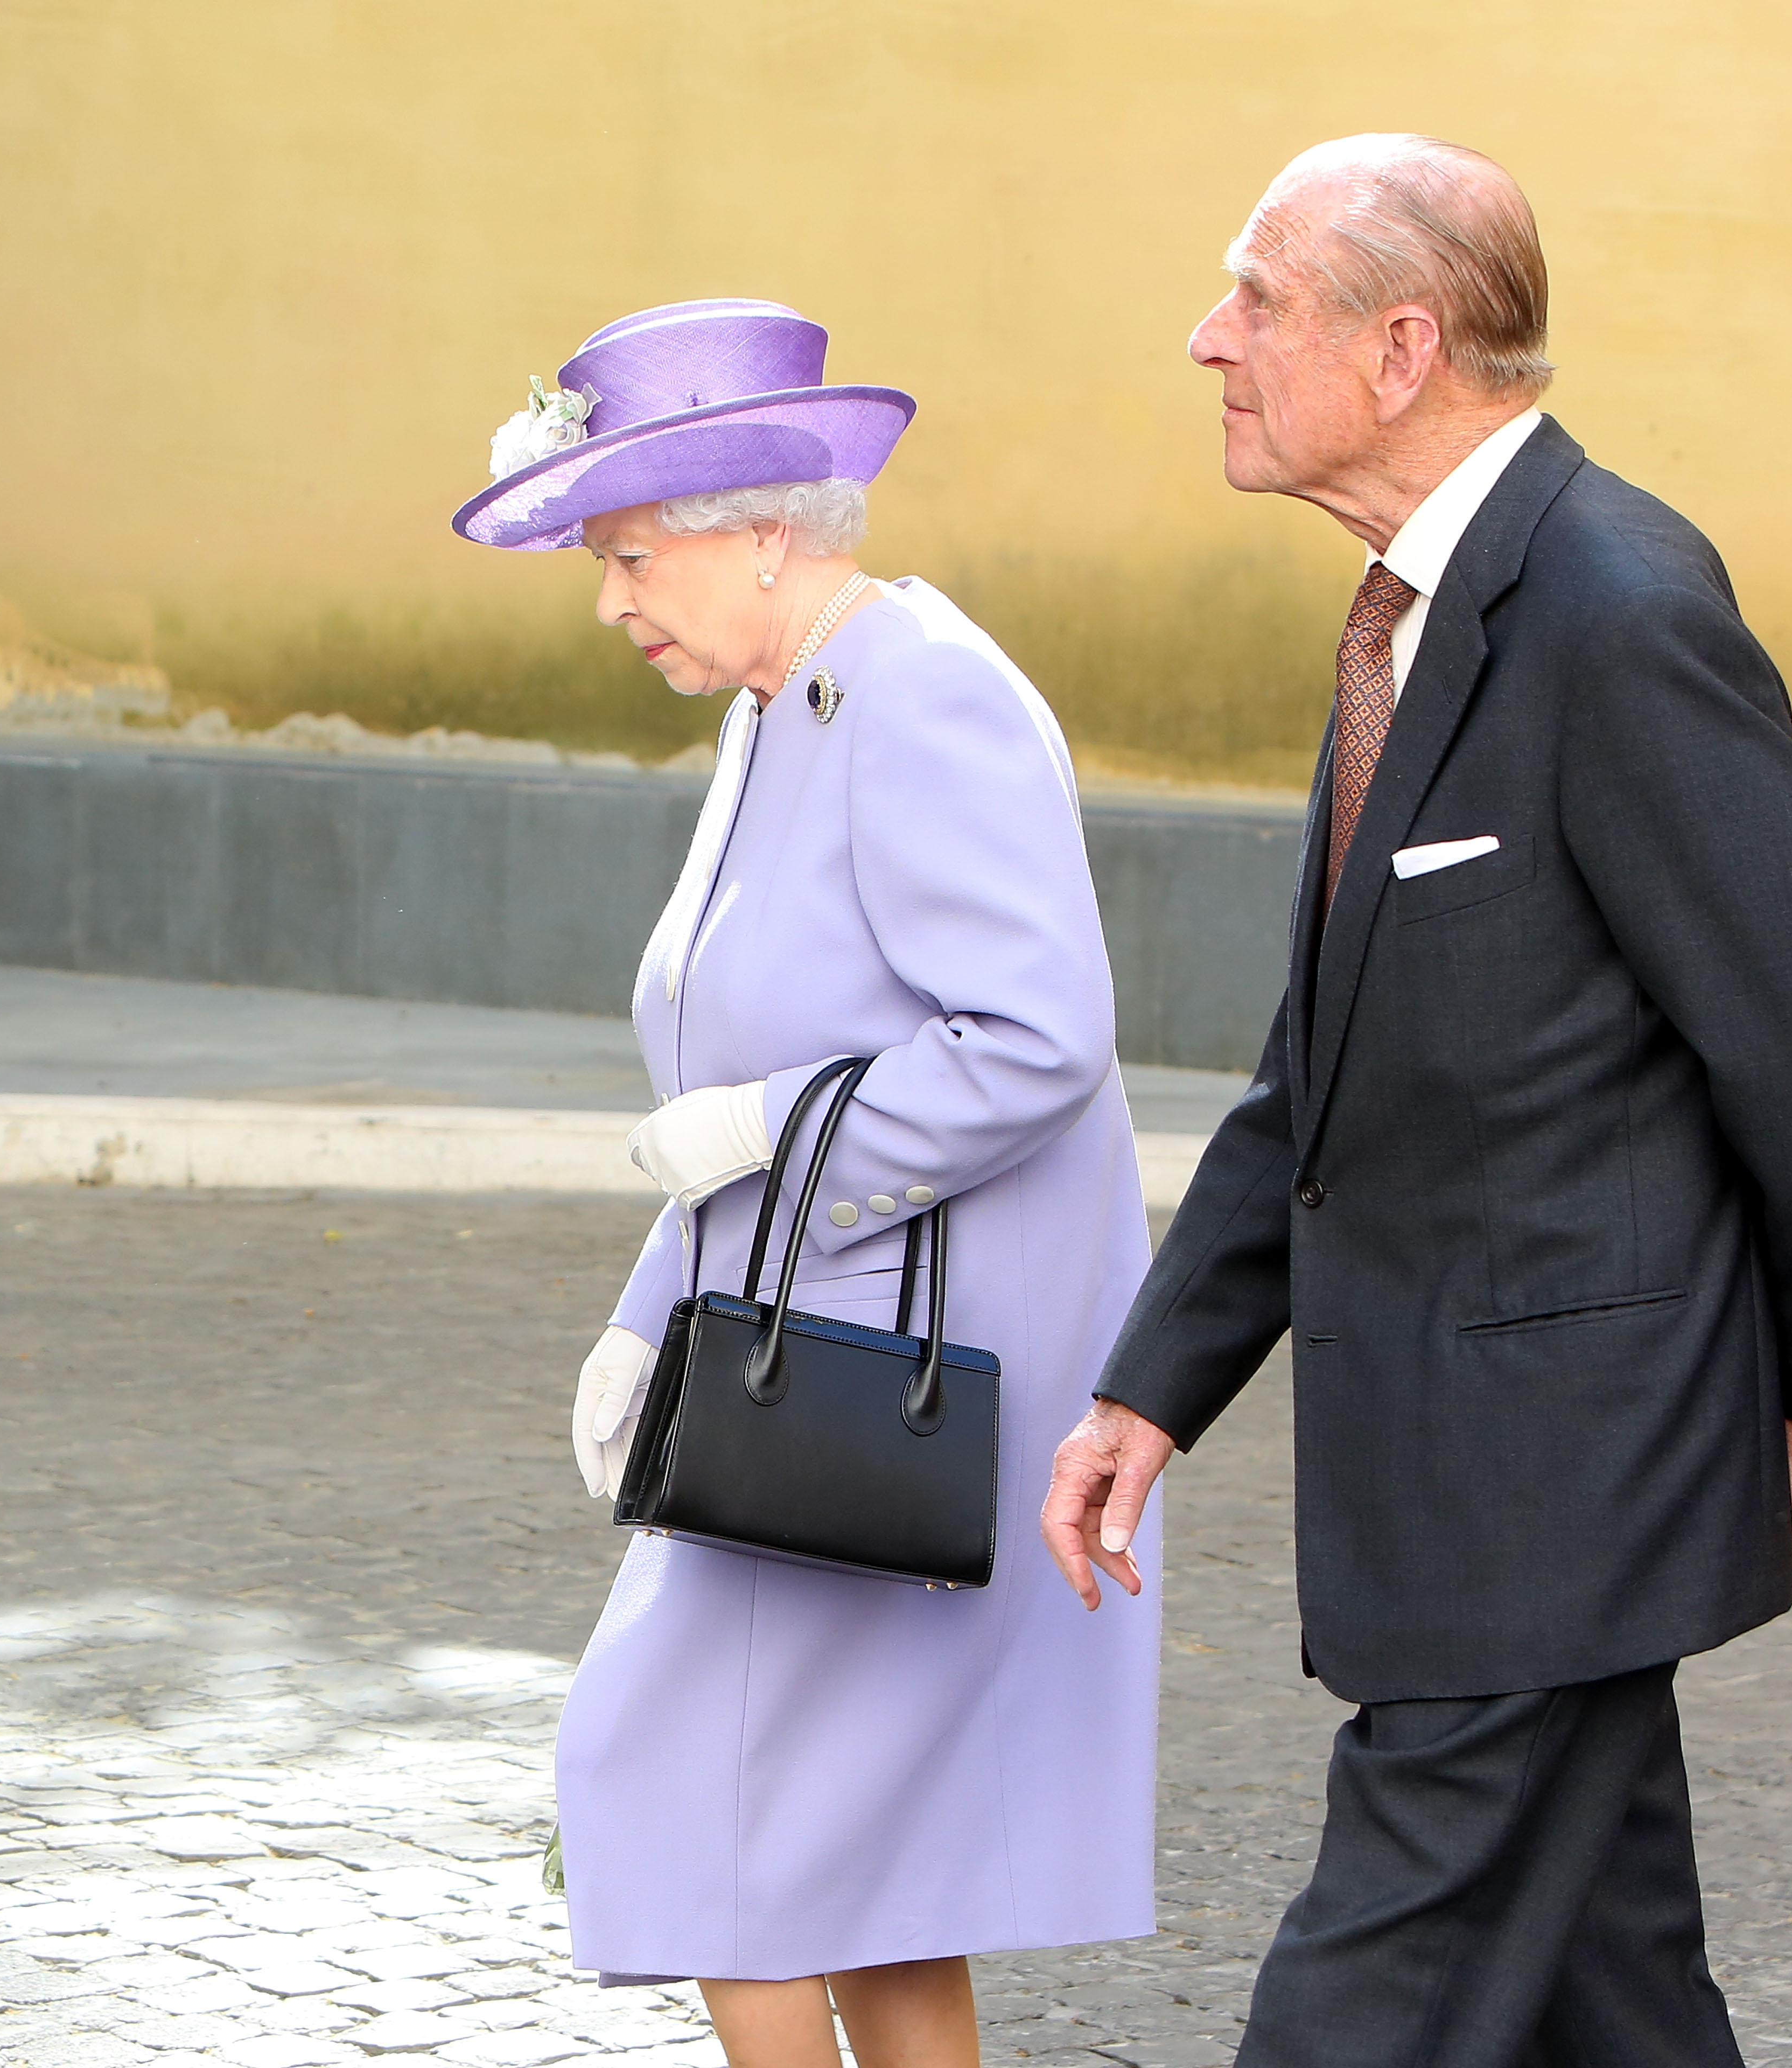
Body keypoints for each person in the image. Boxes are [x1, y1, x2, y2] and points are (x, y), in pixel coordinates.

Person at [1041, 137, 1792, 2066]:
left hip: (1567, 1474)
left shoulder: (1615, 609)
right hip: (1479, 1463)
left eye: (1257, 298)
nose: (1210, 341)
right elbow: (1325, 1065)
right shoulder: (1409, 612)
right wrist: (1152, 1381)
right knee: (1613, 1997)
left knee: (1371, 1996)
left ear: (1400, 347)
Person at [451, 298, 1163, 2068]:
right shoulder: (788, 701)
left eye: (629, 556)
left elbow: (1037, 1040)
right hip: (798, 1358)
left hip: (880, 1387)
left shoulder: (922, 697)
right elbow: (736, 1079)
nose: (611, 600)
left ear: (761, 534)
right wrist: (648, 1315)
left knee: (675, 1789)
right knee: (868, 1874)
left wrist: (777, 1138)